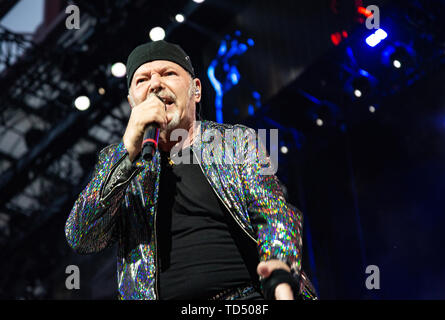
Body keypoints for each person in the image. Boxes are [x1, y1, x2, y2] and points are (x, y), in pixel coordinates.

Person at [65, 40, 317, 300]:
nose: (155, 85)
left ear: (196, 90)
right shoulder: (119, 162)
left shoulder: (235, 142)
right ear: (132, 102)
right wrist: (128, 151)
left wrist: (280, 280)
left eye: (168, 74)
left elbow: (274, 213)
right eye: (142, 80)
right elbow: (82, 236)